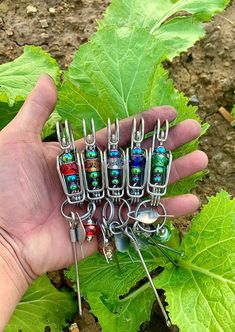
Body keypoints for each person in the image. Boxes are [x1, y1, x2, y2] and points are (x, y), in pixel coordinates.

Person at [0, 74, 208, 329]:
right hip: (94, 195)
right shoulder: (76, 164)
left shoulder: (145, 158)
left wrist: (8, 248)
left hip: (106, 193)